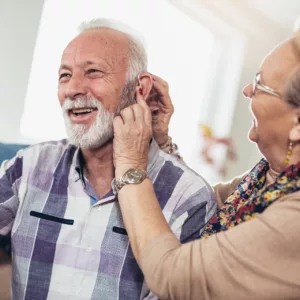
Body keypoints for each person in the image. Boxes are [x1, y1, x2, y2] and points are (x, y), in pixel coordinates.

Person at [0, 19, 217, 300]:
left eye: (93, 72)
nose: (73, 88)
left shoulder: (190, 198)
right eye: (64, 75)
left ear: (140, 90)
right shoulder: (27, 168)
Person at [112, 30, 300, 299]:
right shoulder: (267, 181)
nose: (247, 90)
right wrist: (161, 144)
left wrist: (130, 165)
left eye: (260, 84)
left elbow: (173, 275)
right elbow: (197, 206)